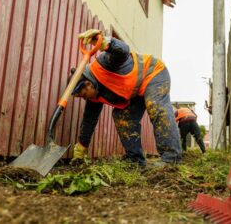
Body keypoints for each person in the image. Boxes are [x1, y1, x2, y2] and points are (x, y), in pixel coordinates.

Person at [70, 29, 182, 167]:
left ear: (87, 84)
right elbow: (89, 121)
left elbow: (123, 51)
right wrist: (81, 147)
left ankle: (172, 158)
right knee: (123, 117)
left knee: (156, 106)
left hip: (152, 74)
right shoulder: (94, 95)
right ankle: (135, 161)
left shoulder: (104, 63)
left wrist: (105, 42)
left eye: (83, 95)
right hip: (135, 91)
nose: (84, 99)